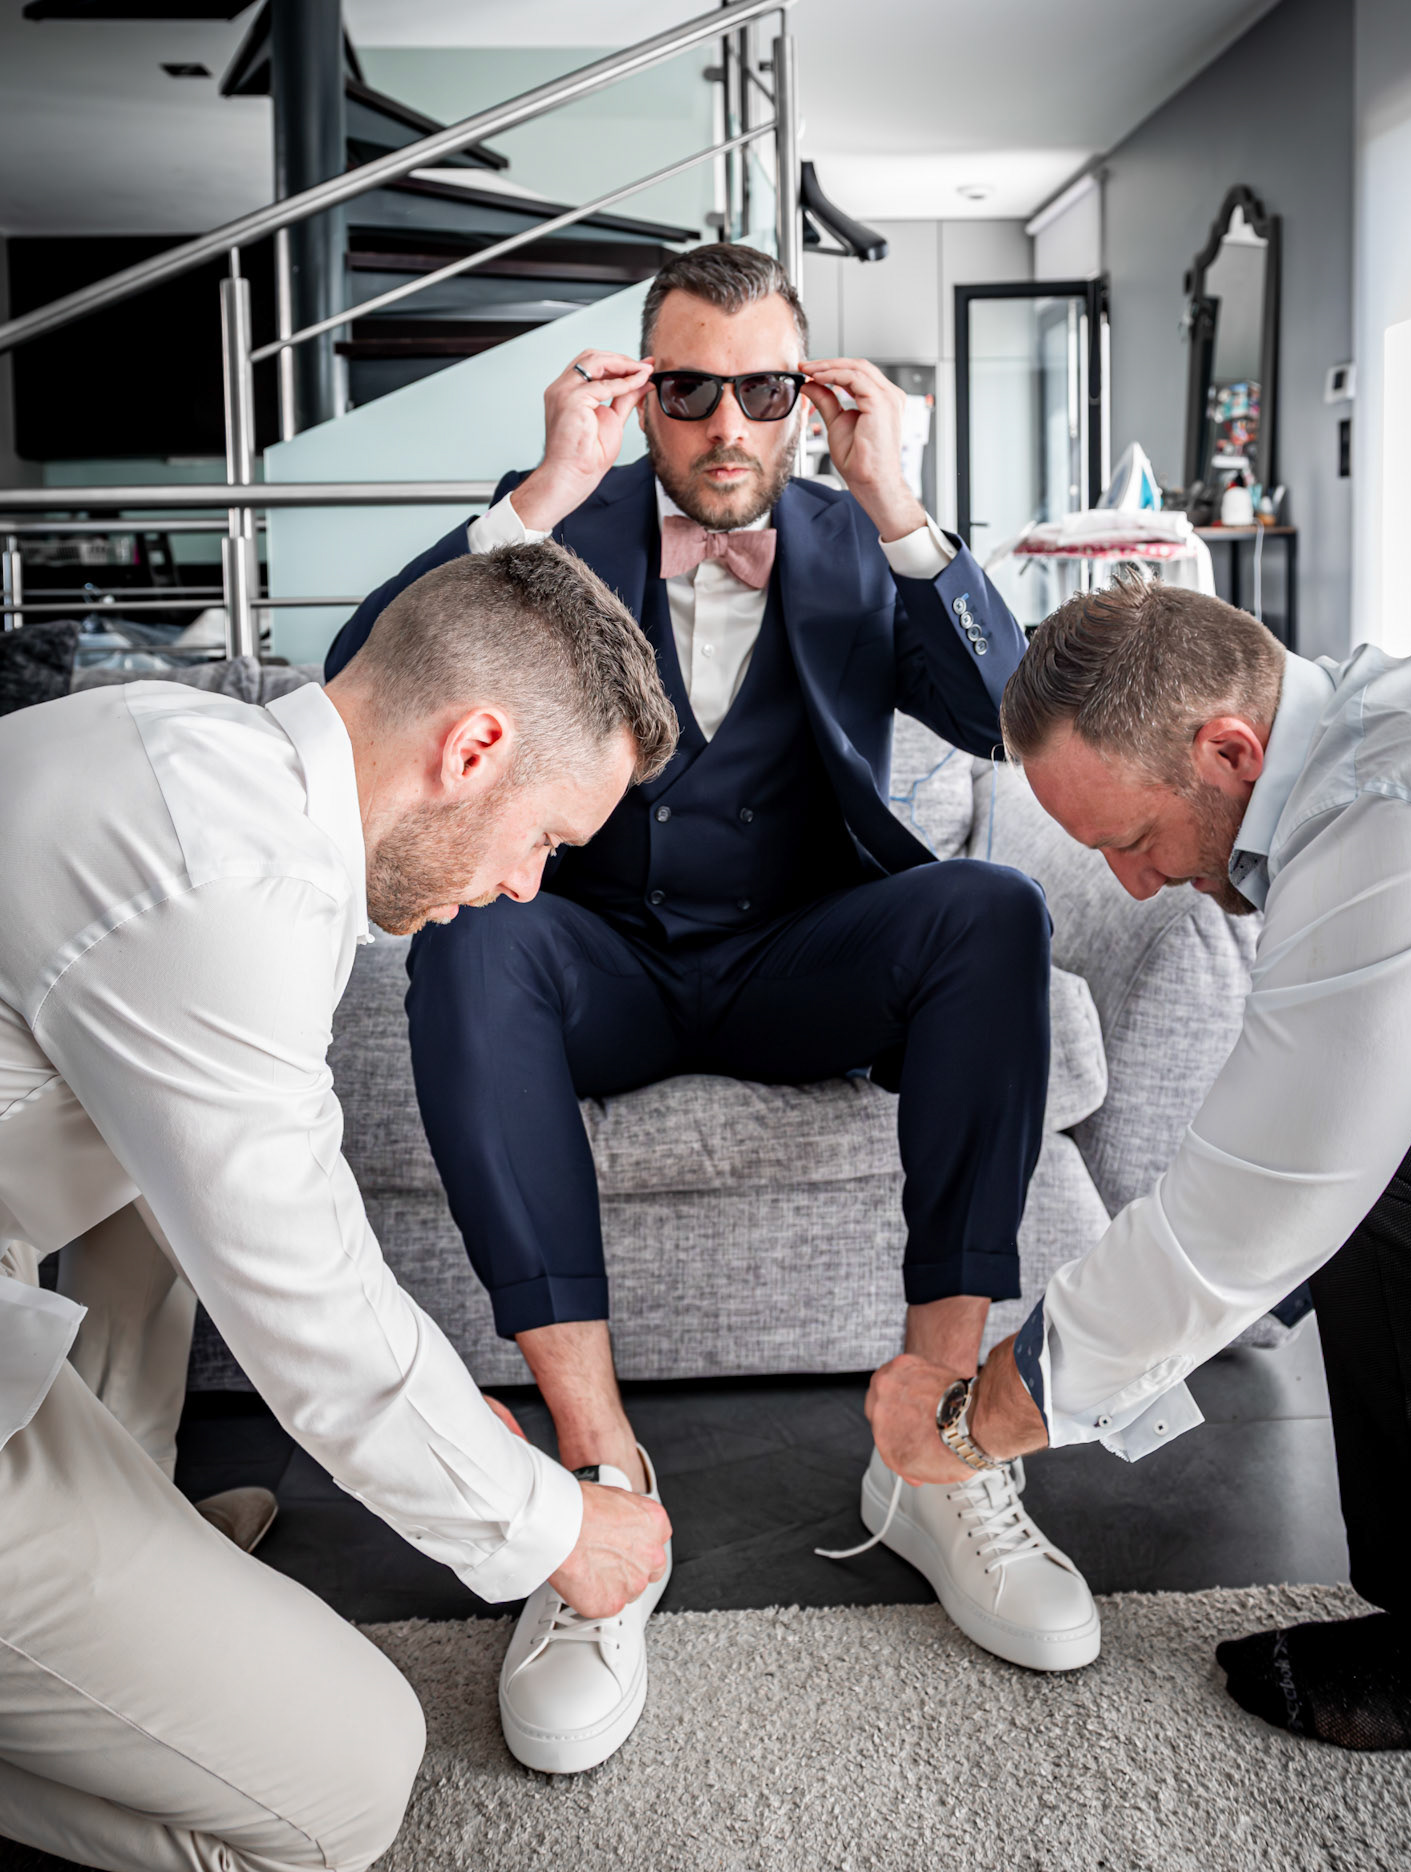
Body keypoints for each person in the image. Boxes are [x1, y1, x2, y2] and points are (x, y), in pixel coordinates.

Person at [326, 242, 1100, 1777]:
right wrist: (541, 492)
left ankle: (935, 1446)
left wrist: (898, 506)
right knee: (473, 945)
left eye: (761, 392)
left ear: (808, 397)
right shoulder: (560, 528)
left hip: (795, 960)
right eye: (688, 391)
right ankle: (597, 1475)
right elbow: (362, 678)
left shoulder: (858, 536)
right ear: (638, 392)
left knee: (989, 908)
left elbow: (1009, 719)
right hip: (600, 963)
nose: (725, 427)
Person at [0, 542, 677, 1870]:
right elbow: (308, 1312)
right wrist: (554, 1527)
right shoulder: (226, 886)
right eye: (546, 839)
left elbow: (228, 1201)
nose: (526, 885)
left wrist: (441, 1418)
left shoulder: (186, 752)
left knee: (165, 1181)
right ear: (473, 748)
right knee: (347, 1786)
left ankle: (127, 1523)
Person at [866, 575, 1411, 1752]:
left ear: (1229, 748)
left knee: (1371, 1173)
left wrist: (974, 1422)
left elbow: (1235, 1222)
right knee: (1394, 1155)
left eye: (1132, 840)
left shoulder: (1387, 815)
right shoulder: (1367, 735)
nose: (1133, 883)